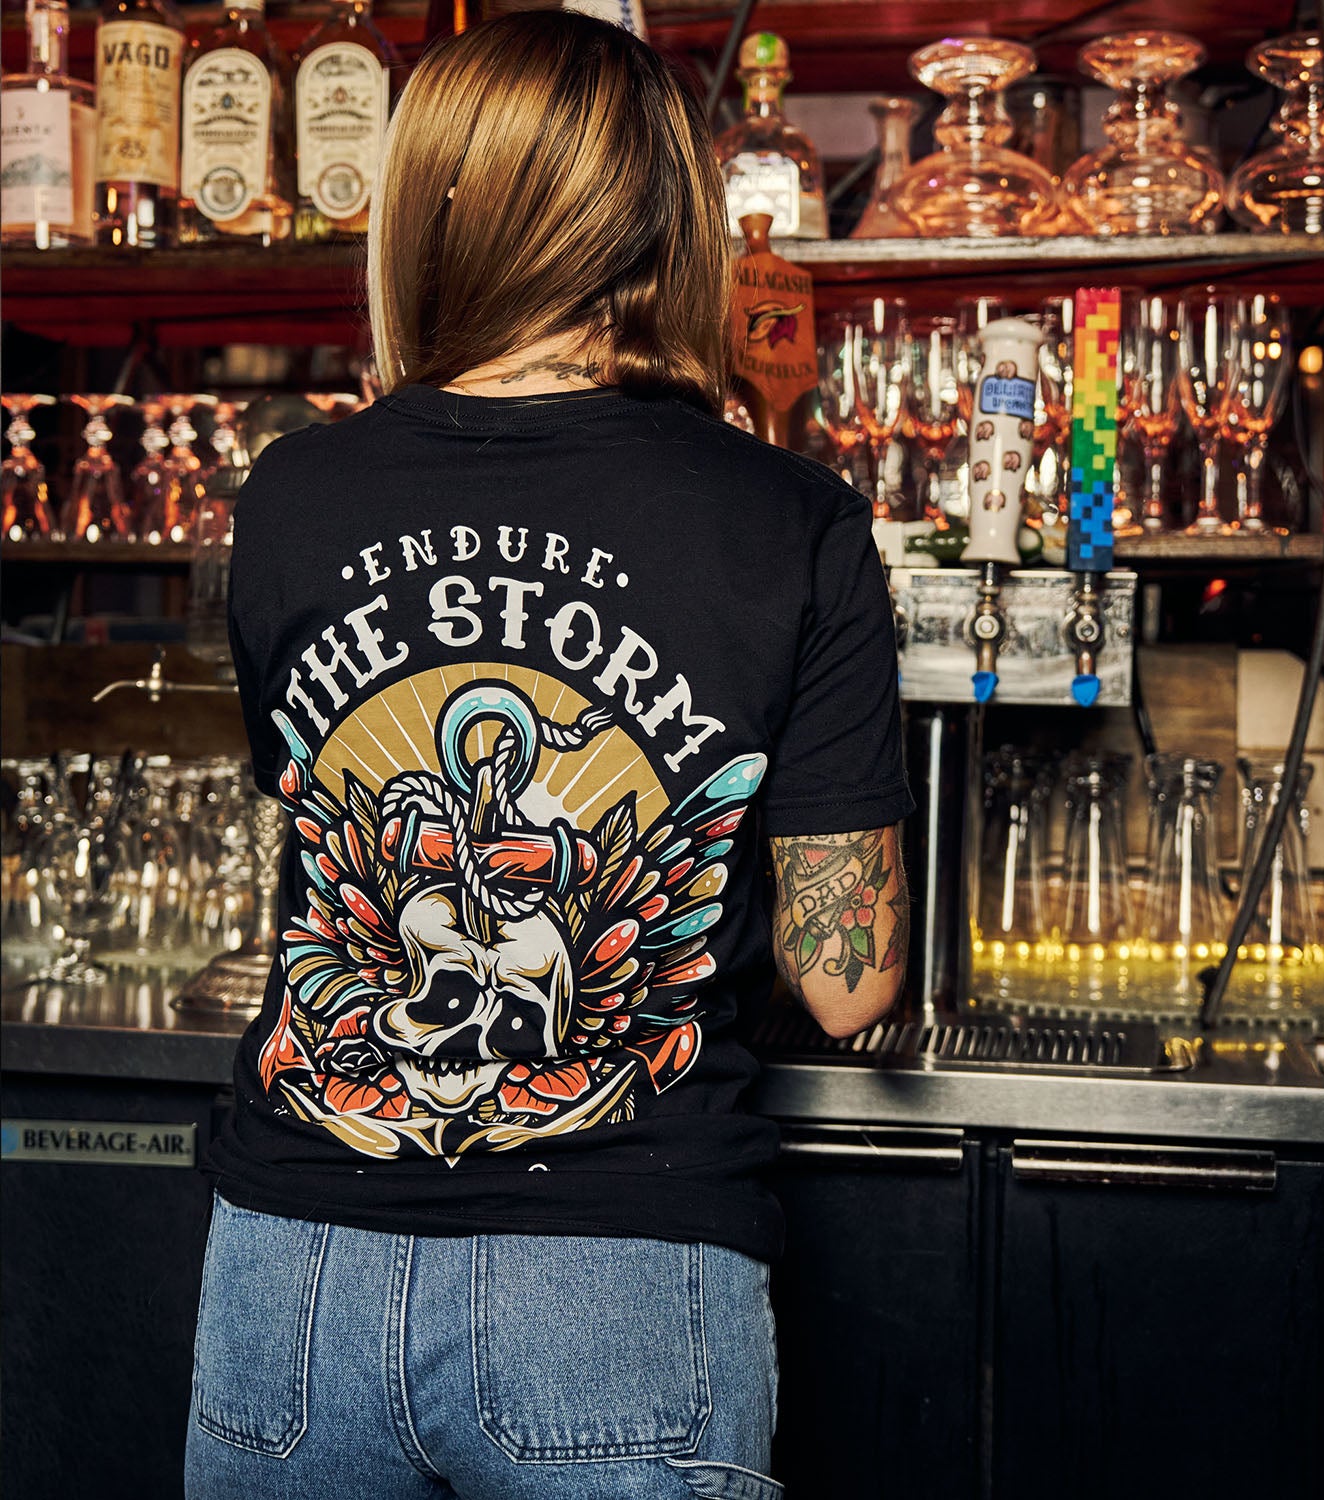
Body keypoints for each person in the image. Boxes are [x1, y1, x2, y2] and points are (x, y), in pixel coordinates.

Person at [185, 12, 911, 1498]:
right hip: (623, 1283)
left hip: (293, 1270)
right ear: (669, 221)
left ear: (422, 209)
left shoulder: (293, 496)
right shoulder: (787, 516)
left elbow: (313, 805)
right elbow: (853, 986)